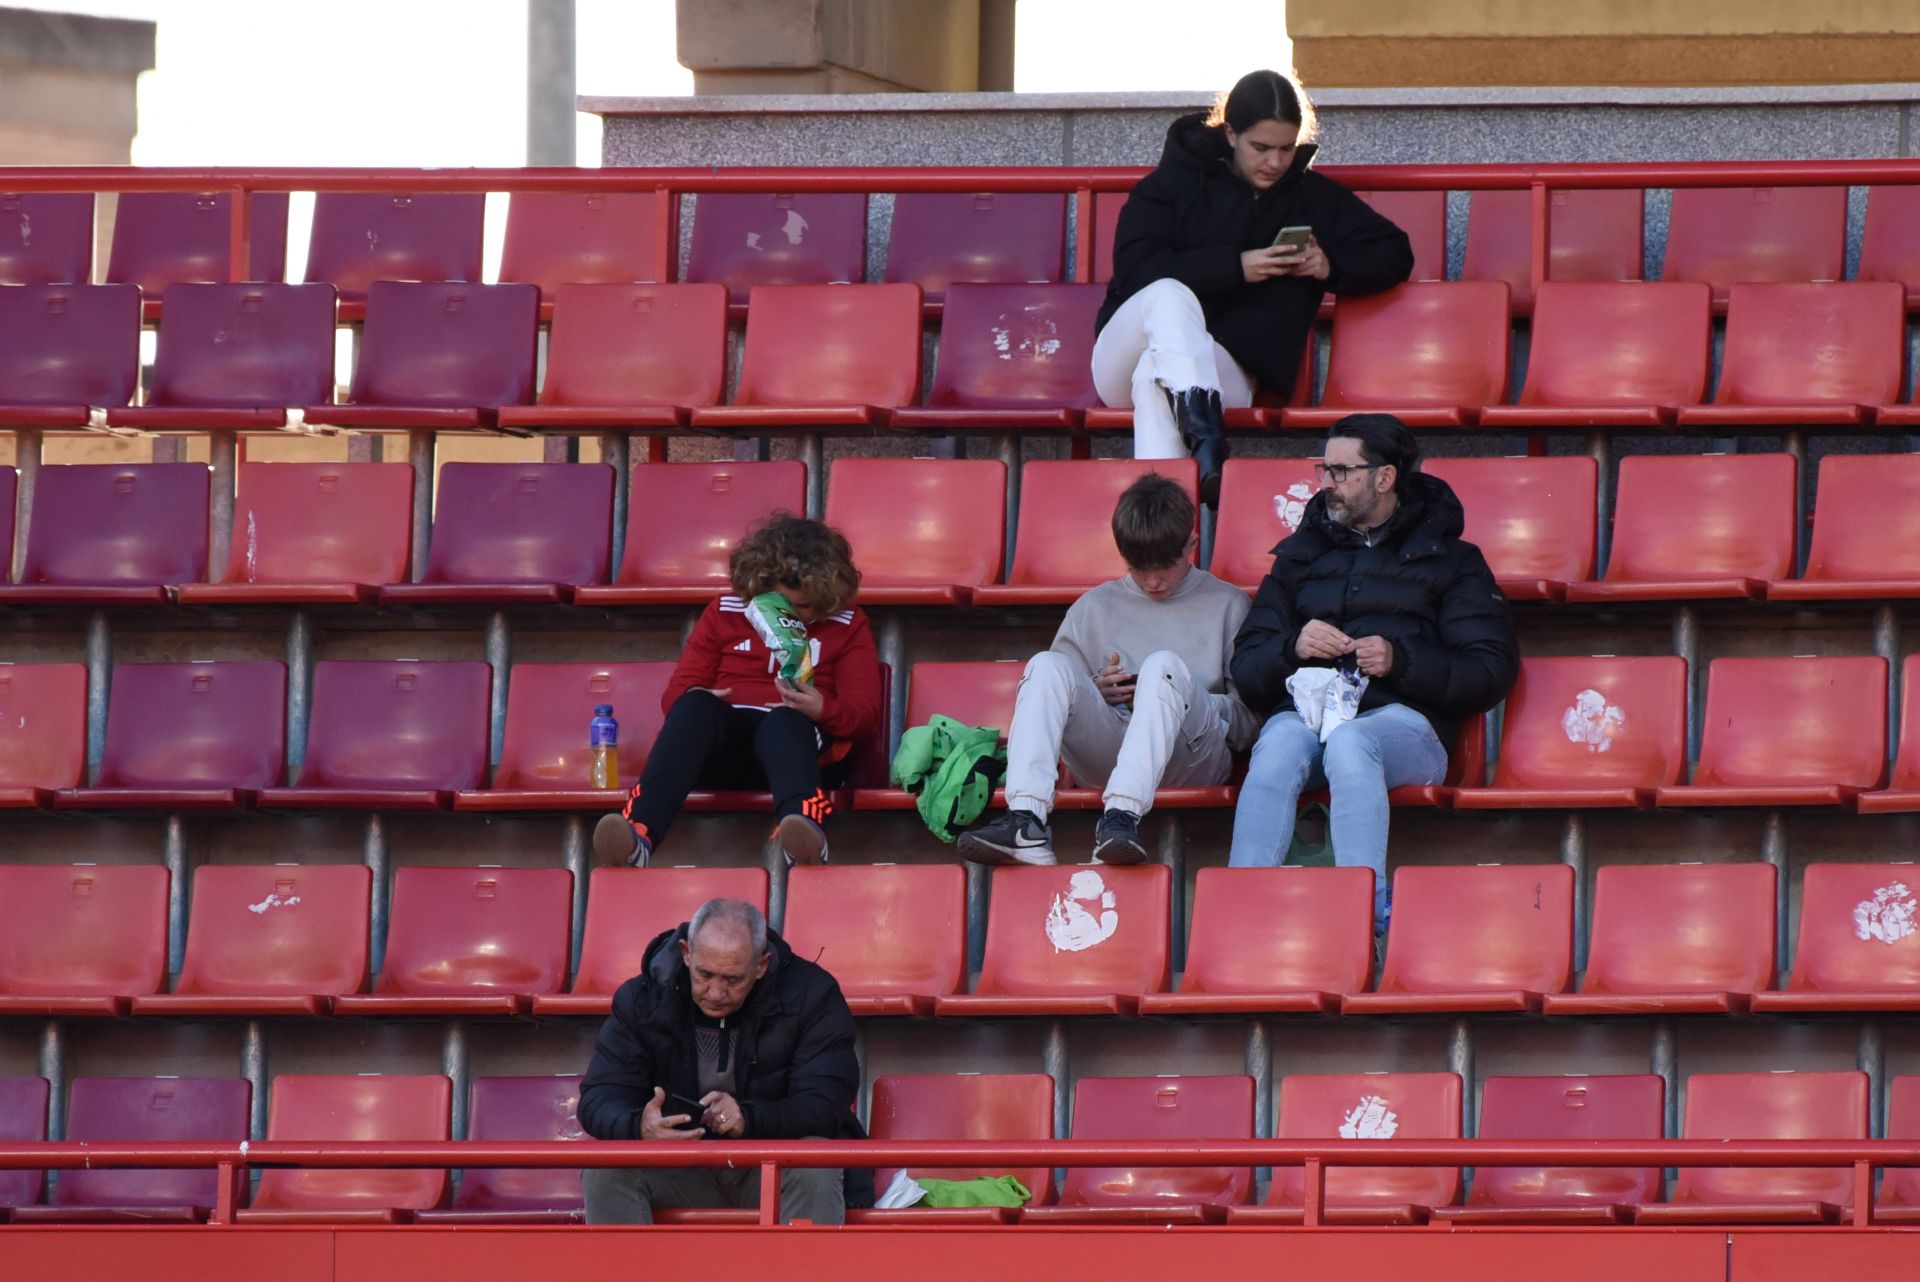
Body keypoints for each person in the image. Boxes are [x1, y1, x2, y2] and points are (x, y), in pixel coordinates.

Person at [1227, 415, 1519, 932]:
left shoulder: (1453, 560)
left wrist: (1399, 659)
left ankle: (1360, 923)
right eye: (1324, 469)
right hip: (1308, 718)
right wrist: (1292, 648)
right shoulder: (1300, 558)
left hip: (1407, 728)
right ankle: (1242, 922)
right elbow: (1247, 668)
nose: (1325, 484)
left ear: (1384, 478)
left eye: (1341, 471)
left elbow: (1490, 670)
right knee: (1275, 746)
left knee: (1351, 742)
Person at [1093, 68, 1414, 506]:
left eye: (1287, 148)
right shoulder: (1169, 186)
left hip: (1227, 370)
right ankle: (1207, 442)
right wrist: (1235, 268)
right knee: (1168, 294)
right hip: (1119, 358)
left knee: (1156, 375)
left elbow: (1396, 252)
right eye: (1260, 147)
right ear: (1230, 133)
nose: (1276, 163)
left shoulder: (1311, 196)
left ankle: (1160, 532)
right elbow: (1134, 273)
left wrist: (1328, 266)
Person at [958, 473, 1257, 866]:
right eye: (1138, 567)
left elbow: (1249, 725)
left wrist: (1183, 698)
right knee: (1046, 666)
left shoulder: (1229, 604)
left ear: (1191, 546)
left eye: (1166, 565)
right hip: (1109, 754)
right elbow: (1060, 703)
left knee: (1162, 667)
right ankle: (1026, 819)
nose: (1153, 581)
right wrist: (1096, 690)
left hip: (1193, 756)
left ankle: (1121, 816)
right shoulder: (1092, 608)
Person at [591, 515, 882, 869]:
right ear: (759, 589)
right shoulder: (724, 612)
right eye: (784, 606)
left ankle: (805, 831)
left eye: (807, 607)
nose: (796, 616)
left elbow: (866, 716)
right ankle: (639, 833)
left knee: (784, 721)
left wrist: (822, 709)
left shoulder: (847, 623)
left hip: (804, 751)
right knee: (693, 705)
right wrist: (699, 697)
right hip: (727, 750)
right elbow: (677, 693)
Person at [579, 897, 866, 1225]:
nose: (715, 993)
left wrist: (749, 1117)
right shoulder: (642, 998)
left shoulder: (813, 994)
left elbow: (826, 1102)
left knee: (814, 1163)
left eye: (732, 980)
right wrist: (639, 1127)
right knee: (605, 1167)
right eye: (704, 975)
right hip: (679, 1167)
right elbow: (599, 1096)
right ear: (687, 954)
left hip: (771, 1165)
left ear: (761, 965)